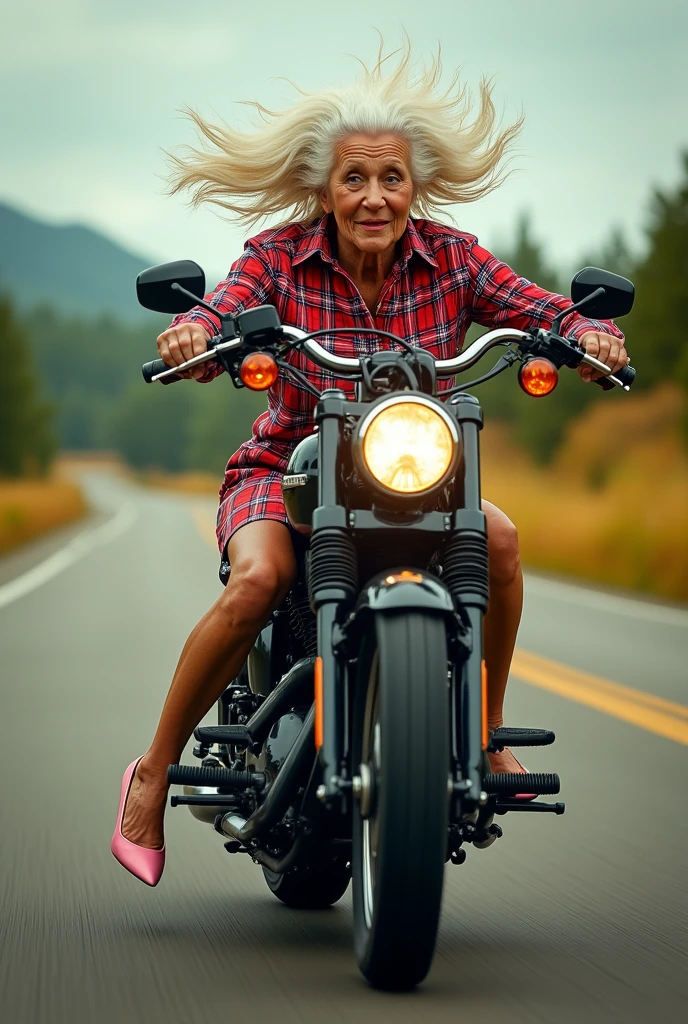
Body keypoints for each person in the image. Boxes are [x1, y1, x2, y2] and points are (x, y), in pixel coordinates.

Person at [111, 44, 628, 885]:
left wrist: (586, 334)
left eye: (391, 178)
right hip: (288, 469)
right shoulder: (278, 257)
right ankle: (154, 768)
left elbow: (539, 307)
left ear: (414, 186)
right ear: (325, 190)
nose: (374, 197)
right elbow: (227, 306)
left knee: (498, 544)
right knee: (256, 583)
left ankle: (487, 734)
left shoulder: (455, 259)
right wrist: (196, 333)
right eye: (355, 179)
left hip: (415, 475)